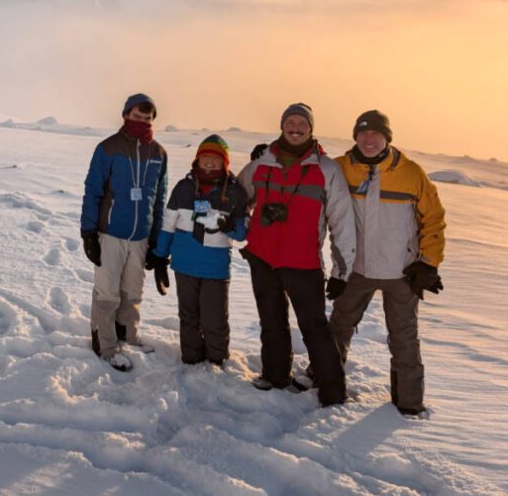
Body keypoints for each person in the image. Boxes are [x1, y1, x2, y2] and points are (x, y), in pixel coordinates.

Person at [328, 110, 446, 417]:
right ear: (355, 136)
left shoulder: (411, 173)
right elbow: (310, 169)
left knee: (404, 337)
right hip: (357, 269)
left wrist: (428, 263)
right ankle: (326, 382)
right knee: (338, 328)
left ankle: (409, 402)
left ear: (387, 139)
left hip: (401, 273)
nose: (369, 140)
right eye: (363, 134)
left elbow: (433, 219)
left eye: (376, 134)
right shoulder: (340, 168)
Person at [237, 102, 356, 406]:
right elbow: (238, 198)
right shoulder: (262, 162)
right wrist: (247, 228)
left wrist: (342, 271)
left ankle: (333, 392)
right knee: (271, 320)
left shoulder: (326, 170)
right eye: (290, 121)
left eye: (302, 123)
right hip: (263, 257)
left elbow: (342, 221)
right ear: (282, 125)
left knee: (314, 327)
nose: (295, 127)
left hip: (302, 262)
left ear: (310, 128)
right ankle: (274, 376)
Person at [80, 93, 168, 372]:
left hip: (140, 236)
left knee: (132, 290)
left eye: (147, 118)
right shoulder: (107, 148)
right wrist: (88, 232)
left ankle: (127, 334)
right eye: (136, 116)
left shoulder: (158, 153)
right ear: (126, 115)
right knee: (107, 292)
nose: (141, 121)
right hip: (111, 233)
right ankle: (105, 345)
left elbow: (160, 197)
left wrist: (156, 238)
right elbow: (93, 191)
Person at [149, 134, 248, 366]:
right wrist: (160, 256)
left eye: (216, 158)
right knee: (189, 316)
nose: (210, 162)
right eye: (205, 157)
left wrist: (231, 226)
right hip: (184, 265)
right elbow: (168, 223)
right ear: (197, 160)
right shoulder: (184, 188)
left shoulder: (235, 192)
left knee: (215, 319)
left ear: (225, 163)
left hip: (215, 268)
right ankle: (191, 358)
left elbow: (243, 234)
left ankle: (217, 360)